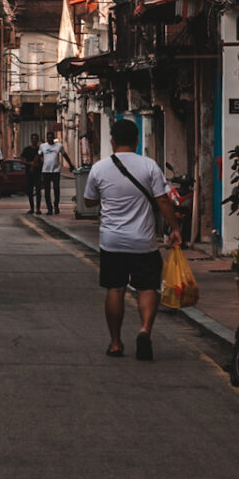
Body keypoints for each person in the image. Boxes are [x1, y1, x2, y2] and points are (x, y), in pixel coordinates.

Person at [84, 118, 180, 360]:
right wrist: (175, 228)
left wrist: (108, 196)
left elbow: (89, 200)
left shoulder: (99, 168)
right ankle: (145, 330)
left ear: (112, 141)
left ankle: (115, 343)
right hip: (143, 241)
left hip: (112, 241)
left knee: (115, 289)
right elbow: (163, 201)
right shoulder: (149, 166)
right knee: (147, 287)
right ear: (137, 141)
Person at [38, 128, 74, 216]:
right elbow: (39, 156)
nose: (50, 139)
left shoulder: (59, 146)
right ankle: (49, 208)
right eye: (48, 137)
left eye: (51, 137)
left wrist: (71, 165)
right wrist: (40, 164)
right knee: (47, 191)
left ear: (53, 138)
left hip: (55, 171)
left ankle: (56, 206)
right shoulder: (43, 146)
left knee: (56, 189)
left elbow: (65, 155)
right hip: (46, 171)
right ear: (47, 138)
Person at [22, 135, 42, 214]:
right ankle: (32, 208)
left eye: (36, 139)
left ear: (37, 140)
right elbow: (22, 159)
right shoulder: (27, 149)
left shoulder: (40, 149)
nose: (34, 140)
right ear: (31, 140)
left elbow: (42, 159)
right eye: (33, 139)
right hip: (29, 172)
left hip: (38, 172)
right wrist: (30, 164)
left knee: (38, 191)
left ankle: (38, 208)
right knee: (29, 191)